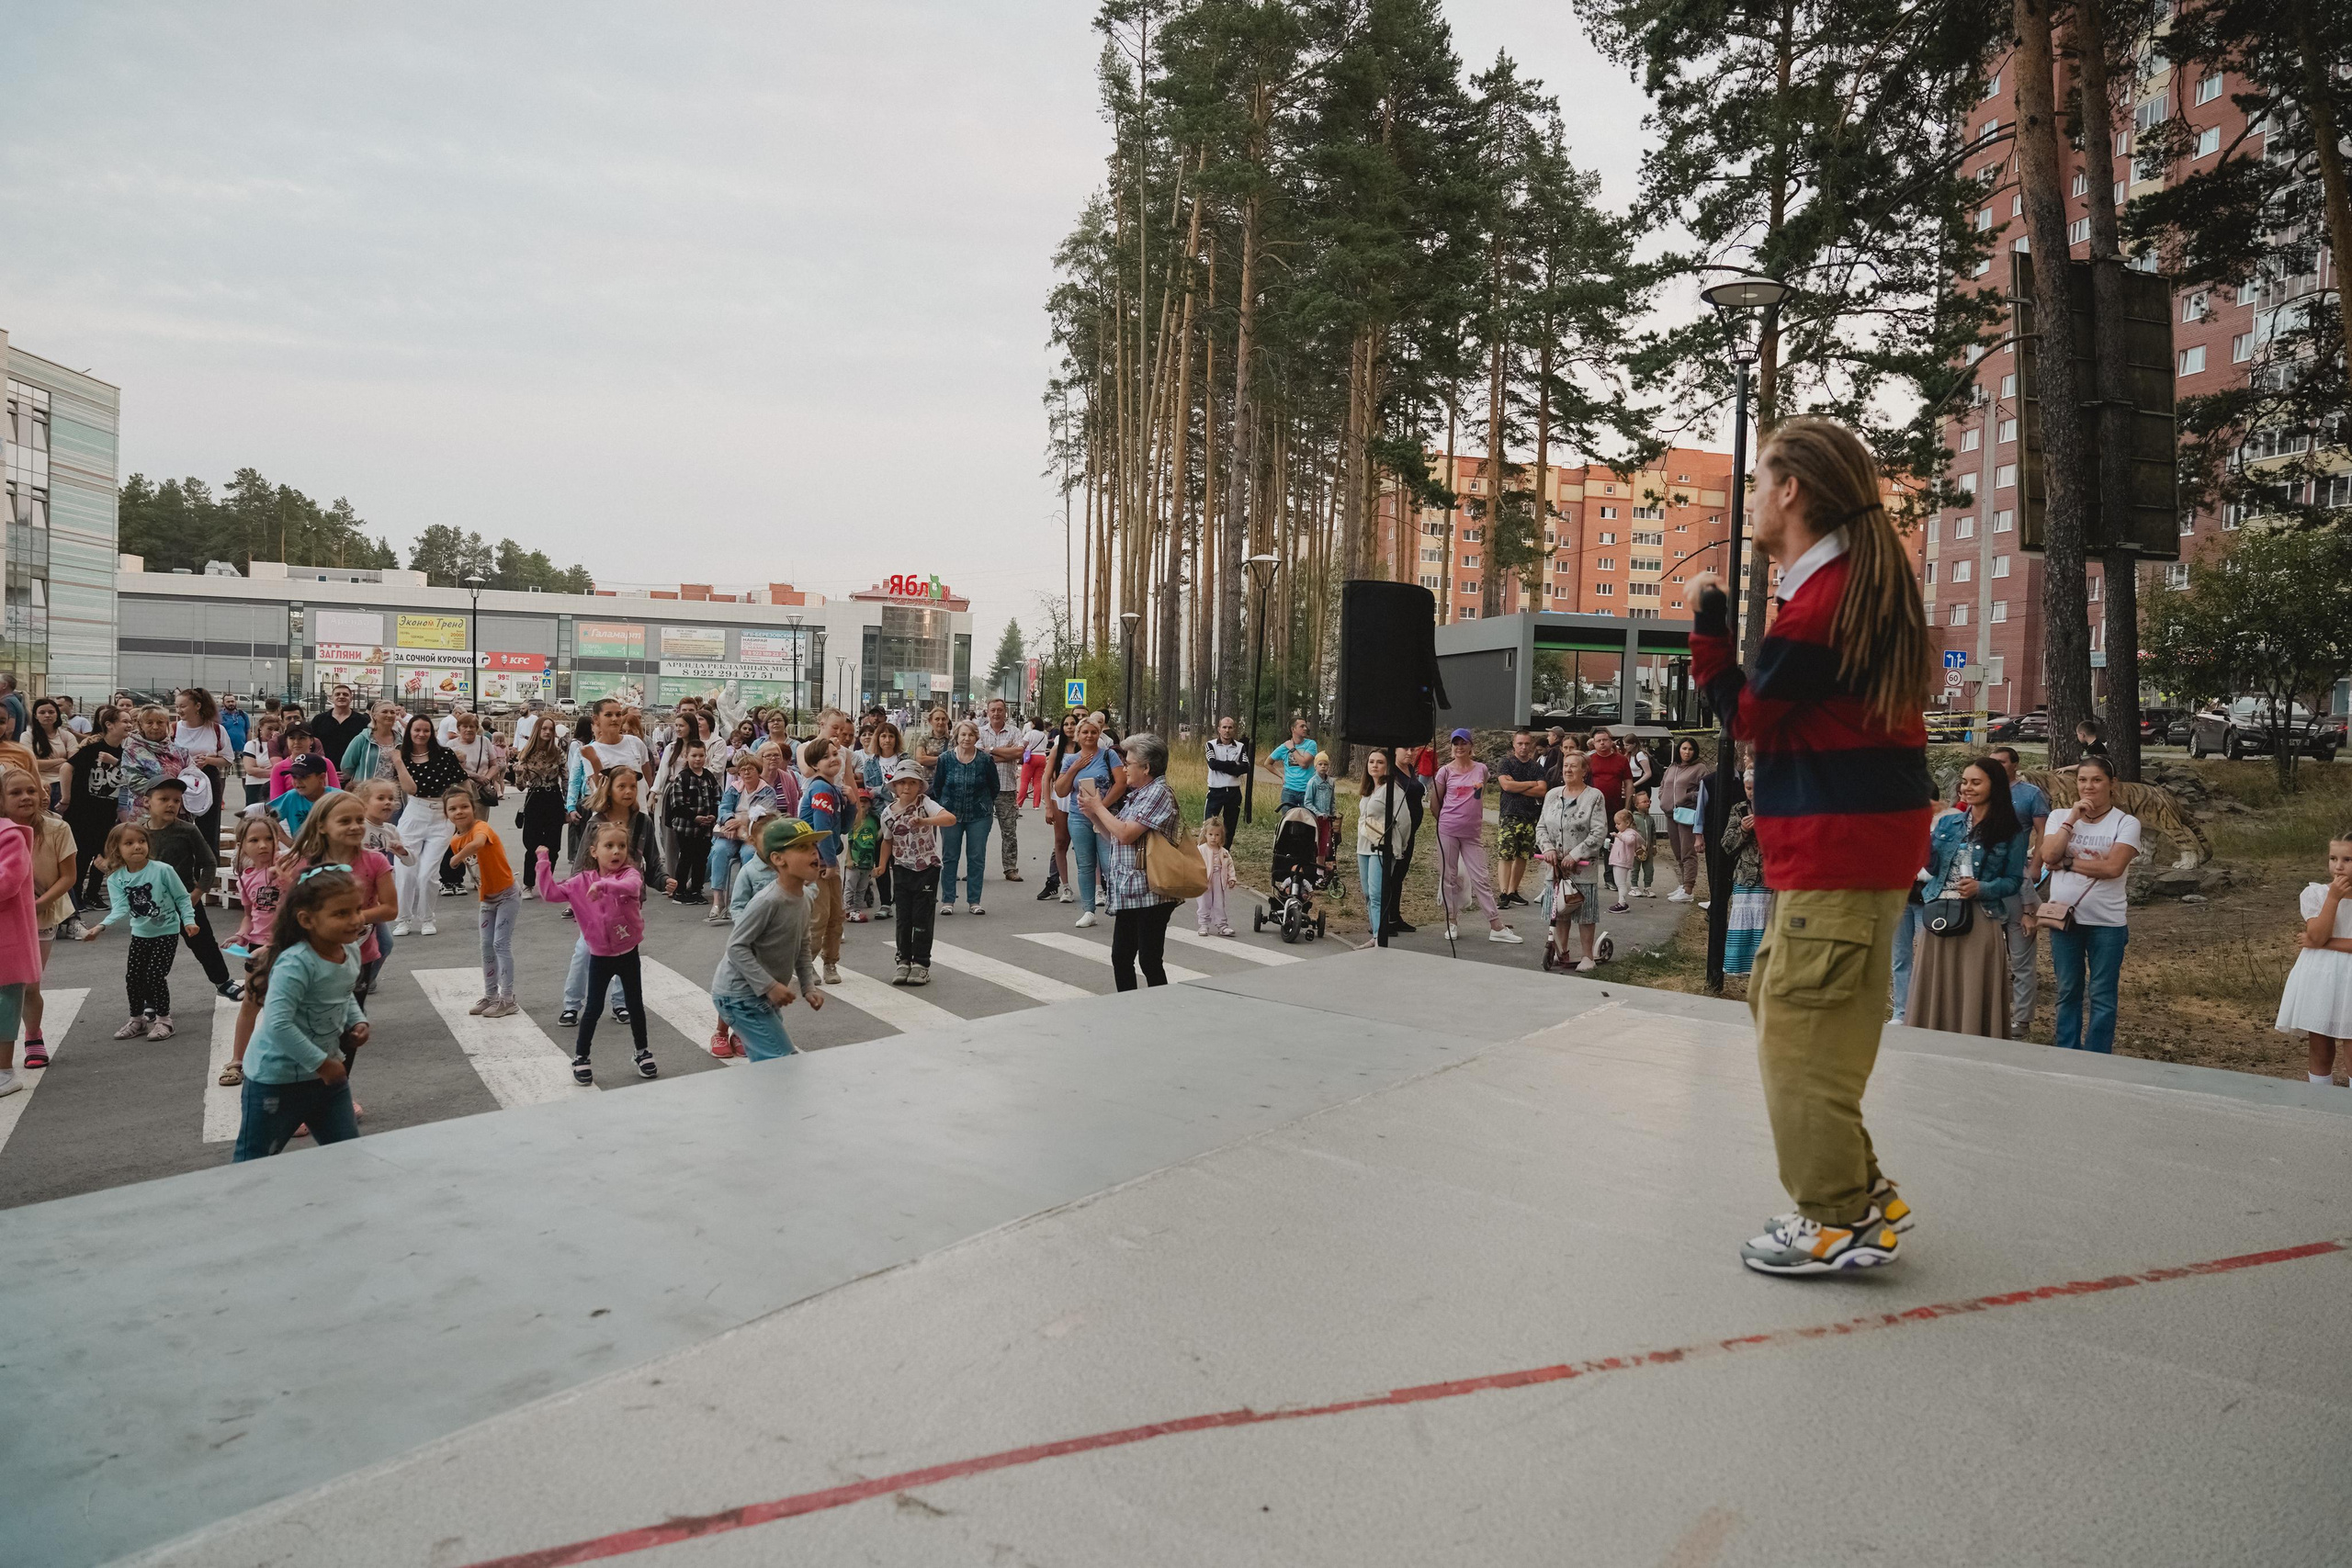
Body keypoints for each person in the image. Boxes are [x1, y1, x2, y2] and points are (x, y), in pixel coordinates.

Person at [1688, 415, 1936, 1276]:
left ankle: (1835, 1218)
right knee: (1786, 1007)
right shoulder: (1841, 585)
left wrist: (1708, 635)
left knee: (1798, 1036)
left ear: (1791, 490)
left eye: (1759, 481)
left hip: (1839, 852)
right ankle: (1860, 1190)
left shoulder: (1823, 599)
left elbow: (1749, 717)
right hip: (1851, 853)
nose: (1752, 497)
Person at [229, 868, 368, 1160]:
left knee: (347, 1155)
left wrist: (357, 1021)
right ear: (306, 920)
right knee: (254, 1161)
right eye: (341, 913)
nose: (355, 919)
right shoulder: (296, 963)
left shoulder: (350, 950)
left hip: (326, 1081)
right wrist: (322, 1064)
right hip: (275, 1082)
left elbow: (345, 992)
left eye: (358, 909)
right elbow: (278, 1024)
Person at [1905, 759, 2028, 1039]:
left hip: (1980, 918)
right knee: (1934, 984)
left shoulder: (2011, 831)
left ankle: (1973, 1044)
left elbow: (2013, 882)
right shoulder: (1949, 822)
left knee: (1973, 986)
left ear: (1994, 786)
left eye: (1975, 782)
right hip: (1938, 914)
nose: (1966, 788)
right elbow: (1932, 867)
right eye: (1964, 781)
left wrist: (1982, 888)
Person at [2033, 755, 2142, 1054]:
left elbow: (2112, 869)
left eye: (2096, 780)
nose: (2089, 786)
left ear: (2112, 784)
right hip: (2064, 920)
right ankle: (2067, 1052)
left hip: (2107, 923)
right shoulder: (2059, 817)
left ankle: (2097, 1055)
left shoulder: (2126, 823)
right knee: (2068, 990)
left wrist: (2067, 862)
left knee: (2102, 994)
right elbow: (2048, 857)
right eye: (2083, 780)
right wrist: (2072, 819)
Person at [539, 828, 656, 1085]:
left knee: (635, 1005)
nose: (616, 851)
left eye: (622, 846)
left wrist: (605, 885)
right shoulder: (581, 882)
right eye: (609, 846)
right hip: (600, 955)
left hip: (628, 952)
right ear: (594, 851)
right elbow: (550, 894)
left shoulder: (630, 874)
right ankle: (581, 1057)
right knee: (593, 1008)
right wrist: (543, 862)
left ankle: (642, 1052)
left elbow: (632, 885)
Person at [707, 817, 830, 1060]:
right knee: (781, 1059)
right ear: (778, 859)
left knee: (771, 1064)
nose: (814, 853)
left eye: (814, 845)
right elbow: (736, 946)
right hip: (739, 995)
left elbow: (802, 944)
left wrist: (807, 986)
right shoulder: (768, 901)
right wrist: (770, 986)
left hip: (760, 994)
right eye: (802, 847)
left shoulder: (804, 897)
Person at [558, 767, 668, 1027]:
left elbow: (651, 863)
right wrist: (576, 898)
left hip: (629, 902)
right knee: (585, 950)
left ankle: (621, 1003)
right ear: (610, 789)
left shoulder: (643, 822)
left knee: (625, 953)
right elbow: (583, 862)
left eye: (632, 786)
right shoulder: (596, 823)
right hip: (596, 902)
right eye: (622, 786)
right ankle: (572, 1005)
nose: (628, 791)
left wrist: (664, 881)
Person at [1079, 732, 1182, 991]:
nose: (1124, 768)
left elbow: (1126, 834)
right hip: (1130, 890)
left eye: (1129, 763)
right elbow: (1114, 834)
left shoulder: (1158, 793)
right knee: (1121, 957)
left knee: (1149, 960)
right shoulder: (1139, 794)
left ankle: (1159, 1008)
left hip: (1152, 890)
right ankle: (1127, 1008)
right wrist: (1093, 814)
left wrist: (1099, 806)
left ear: (1146, 768)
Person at [81, 821, 199, 1039]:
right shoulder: (117, 879)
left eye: (141, 841)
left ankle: (164, 1021)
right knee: (133, 977)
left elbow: (182, 898)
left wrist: (188, 921)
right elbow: (121, 908)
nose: (137, 846)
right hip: (140, 934)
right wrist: (100, 926)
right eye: (129, 843)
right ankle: (137, 1020)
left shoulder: (163, 870)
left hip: (167, 932)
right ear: (117, 849)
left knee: (155, 975)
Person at [0, 769, 73, 1094]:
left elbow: (68, 876)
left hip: (43, 912)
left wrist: (40, 902)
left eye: (31, 790)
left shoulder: (57, 828)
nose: (25, 797)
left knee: (28, 985)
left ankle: (32, 1036)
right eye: (16, 793)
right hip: (15, 915)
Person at [141, 775, 242, 1001]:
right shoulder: (137, 832)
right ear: (147, 802)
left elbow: (209, 863)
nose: (171, 804)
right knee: (152, 953)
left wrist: (196, 894)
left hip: (186, 902)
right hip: (152, 906)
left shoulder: (187, 830)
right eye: (164, 799)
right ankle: (149, 999)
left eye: (177, 800)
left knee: (204, 944)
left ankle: (223, 982)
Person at [1430, 728, 1521, 944]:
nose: (1459, 747)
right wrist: (1445, 822)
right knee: (1449, 877)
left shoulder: (1481, 769)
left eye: (1463, 743)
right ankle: (1452, 921)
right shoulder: (1445, 772)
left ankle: (1496, 925)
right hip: (1448, 830)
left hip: (1472, 834)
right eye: (1455, 744)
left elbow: (1479, 795)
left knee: (1481, 877)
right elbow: (1435, 802)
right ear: (1452, 748)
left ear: (1471, 746)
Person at [2277, 833, 2352, 1086]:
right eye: (2333, 858)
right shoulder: (2316, 894)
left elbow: (2317, 941)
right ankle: (2321, 1110)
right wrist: (2333, 898)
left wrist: (2321, 943)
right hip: (2320, 977)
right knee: (2320, 1048)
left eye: (2347, 859)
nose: (2338, 866)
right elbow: (2317, 934)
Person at [1990, 746, 2050, 1039]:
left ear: (2015, 764)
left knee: (2021, 958)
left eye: (2002, 762)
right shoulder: (1985, 794)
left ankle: (2021, 1020)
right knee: (1989, 957)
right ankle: (1992, 1014)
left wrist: (2037, 866)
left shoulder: (2029, 794)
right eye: (1993, 763)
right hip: (1988, 889)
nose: (1998, 767)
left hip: (2018, 882)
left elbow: (2043, 833)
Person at [445, 788, 520, 1018]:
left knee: (500, 945)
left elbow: (478, 844)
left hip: (507, 894)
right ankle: (491, 996)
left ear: (474, 808)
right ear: (446, 813)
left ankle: (508, 999)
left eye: (464, 807)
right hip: (487, 898)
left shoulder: (481, 828)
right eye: (453, 809)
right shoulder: (455, 839)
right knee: (486, 947)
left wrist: (456, 858)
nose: (459, 812)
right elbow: (477, 872)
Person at [390, 715, 469, 936]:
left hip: (441, 816)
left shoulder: (444, 754)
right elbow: (410, 789)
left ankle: (427, 918)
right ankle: (403, 919)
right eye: (417, 730)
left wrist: (465, 814)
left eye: (426, 730)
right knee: (405, 871)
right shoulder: (403, 757)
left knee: (427, 874)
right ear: (410, 732)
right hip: (414, 813)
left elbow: (462, 781)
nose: (421, 734)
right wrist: (398, 762)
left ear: (432, 733)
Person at [878, 757, 953, 986]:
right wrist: (882, 866)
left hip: (927, 868)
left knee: (922, 917)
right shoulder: (887, 814)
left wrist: (925, 821)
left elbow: (949, 819)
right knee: (904, 917)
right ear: (895, 786)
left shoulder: (925, 804)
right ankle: (903, 961)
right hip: (901, 868)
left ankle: (921, 963)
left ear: (920, 786)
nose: (907, 787)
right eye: (902, 783)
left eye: (912, 782)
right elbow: (887, 841)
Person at [1537, 750, 1609, 971]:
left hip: (1581, 868)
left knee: (1585, 913)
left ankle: (1587, 956)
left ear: (1584, 771)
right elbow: (1541, 827)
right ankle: (1562, 952)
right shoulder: (1552, 795)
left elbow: (1598, 832)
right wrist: (1547, 849)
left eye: (1574, 766)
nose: (1568, 770)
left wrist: (1575, 855)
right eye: (1566, 766)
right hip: (1555, 867)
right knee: (1558, 910)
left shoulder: (1594, 796)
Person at [1054, 715, 1124, 929]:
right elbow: (1061, 790)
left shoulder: (1108, 755)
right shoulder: (1069, 759)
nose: (1089, 735)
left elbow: (1121, 783)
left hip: (1105, 816)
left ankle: (1121, 909)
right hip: (1078, 816)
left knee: (1109, 863)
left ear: (1099, 734)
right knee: (1085, 864)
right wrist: (1074, 768)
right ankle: (1088, 911)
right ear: (1077, 736)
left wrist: (1100, 806)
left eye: (1094, 732)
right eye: (1085, 732)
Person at [62, 704, 128, 915]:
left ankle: (93, 894)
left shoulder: (125, 754)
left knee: (104, 854)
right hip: (82, 812)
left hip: (106, 812)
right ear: (109, 725)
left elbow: (131, 775)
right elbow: (66, 767)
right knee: (81, 856)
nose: (129, 725)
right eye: (124, 721)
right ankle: (75, 897)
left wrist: (115, 762)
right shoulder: (93, 749)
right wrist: (66, 798)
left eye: (130, 721)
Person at [796, 739, 850, 984]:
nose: (834, 759)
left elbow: (845, 828)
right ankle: (806, 964)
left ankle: (830, 963)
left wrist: (849, 804)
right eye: (827, 756)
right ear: (815, 765)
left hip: (827, 858)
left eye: (836, 754)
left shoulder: (833, 790)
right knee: (819, 916)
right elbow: (821, 830)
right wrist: (829, 863)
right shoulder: (821, 790)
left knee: (836, 915)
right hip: (816, 862)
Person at [933, 719, 999, 917]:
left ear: (976, 737)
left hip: (979, 815)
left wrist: (984, 804)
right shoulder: (945, 759)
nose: (967, 738)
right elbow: (938, 786)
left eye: (970, 735)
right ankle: (948, 900)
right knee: (950, 856)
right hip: (951, 815)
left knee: (976, 857)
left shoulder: (985, 760)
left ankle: (974, 901)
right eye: (963, 734)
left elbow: (993, 787)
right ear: (956, 737)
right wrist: (944, 807)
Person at [513, 716, 570, 896]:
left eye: (550, 729)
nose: (547, 732)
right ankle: (528, 884)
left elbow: (566, 778)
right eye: (544, 728)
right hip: (534, 797)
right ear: (538, 730)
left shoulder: (558, 752)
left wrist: (569, 804)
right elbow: (521, 786)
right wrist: (519, 775)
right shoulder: (526, 753)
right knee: (532, 844)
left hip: (554, 797)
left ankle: (547, 883)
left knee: (553, 845)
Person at [1494, 729, 1549, 908]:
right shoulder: (1506, 763)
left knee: (1523, 854)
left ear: (1531, 744)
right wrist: (1531, 784)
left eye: (1527, 743)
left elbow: (1542, 791)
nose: (1523, 747)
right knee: (1506, 853)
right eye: (1520, 743)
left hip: (1530, 815)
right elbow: (1506, 785)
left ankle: (1513, 890)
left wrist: (1517, 786)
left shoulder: (1536, 767)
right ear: (1514, 744)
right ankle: (1503, 893)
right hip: (1510, 814)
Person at [1354, 749, 1403, 947]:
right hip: (1364, 846)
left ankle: (1379, 937)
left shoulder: (1392, 790)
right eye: (1371, 762)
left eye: (1380, 762)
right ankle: (1375, 933)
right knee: (1367, 893)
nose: (1374, 765)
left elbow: (1404, 820)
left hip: (1382, 847)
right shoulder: (1368, 790)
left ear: (1387, 766)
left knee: (1377, 893)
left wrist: (1400, 844)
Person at [663, 740, 720, 906]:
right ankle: (680, 891)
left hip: (706, 828)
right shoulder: (682, 778)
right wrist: (694, 817)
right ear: (686, 756)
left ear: (706, 756)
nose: (698, 759)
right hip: (686, 827)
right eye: (694, 755)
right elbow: (677, 804)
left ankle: (696, 888)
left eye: (701, 755)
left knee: (701, 858)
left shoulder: (709, 777)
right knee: (686, 857)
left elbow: (717, 798)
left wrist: (713, 816)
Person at [976, 697, 1026, 883]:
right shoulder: (979, 732)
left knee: (1009, 832)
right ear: (987, 712)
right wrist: (1006, 752)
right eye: (993, 710)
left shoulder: (1014, 731)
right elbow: (978, 757)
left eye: (1000, 710)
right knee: (978, 832)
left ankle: (1010, 868)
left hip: (1006, 789)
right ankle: (976, 868)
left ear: (1006, 712)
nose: (996, 713)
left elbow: (1019, 753)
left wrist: (990, 751)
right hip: (983, 790)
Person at [119, 706, 187, 824]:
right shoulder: (131, 751)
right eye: (149, 723)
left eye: (160, 722)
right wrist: (168, 792)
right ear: (141, 725)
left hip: (175, 813)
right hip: (144, 815)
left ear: (167, 724)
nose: (155, 727)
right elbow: (135, 782)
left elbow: (190, 776)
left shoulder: (180, 751)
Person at [1657, 739, 1707, 903]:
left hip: (1686, 813)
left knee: (1687, 851)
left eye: (1691, 749)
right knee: (1677, 851)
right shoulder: (1672, 767)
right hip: (1670, 813)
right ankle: (1682, 884)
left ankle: (1688, 888)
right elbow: (1663, 784)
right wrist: (1662, 798)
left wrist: (1688, 797)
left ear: (1695, 751)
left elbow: (1705, 791)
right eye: (1684, 748)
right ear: (1679, 750)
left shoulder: (1699, 768)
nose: (1687, 752)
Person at [1038, 714, 1079, 904]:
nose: (1070, 727)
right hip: (1060, 800)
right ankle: (1065, 887)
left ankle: (1096, 888)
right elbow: (1046, 778)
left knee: (1083, 845)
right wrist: (1048, 807)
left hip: (1082, 798)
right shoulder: (1057, 750)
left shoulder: (1088, 748)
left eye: (1073, 724)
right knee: (1061, 842)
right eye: (1066, 724)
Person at [1204, 716, 1249, 852]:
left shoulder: (1240, 747)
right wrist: (1232, 764)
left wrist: (1224, 766)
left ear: (1234, 730)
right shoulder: (1210, 745)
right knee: (1209, 825)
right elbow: (1212, 764)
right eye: (1224, 727)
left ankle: (1225, 854)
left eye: (1230, 727)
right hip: (1215, 791)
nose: (1227, 730)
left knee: (1230, 827)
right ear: (1219, 729)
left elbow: (1245, 767)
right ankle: (1207, 854)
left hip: (1234, 792)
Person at [267, 725, 343, 802]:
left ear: (311, 740)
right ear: (286, 740)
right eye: (292, 738)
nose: (296, 742)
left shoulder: (326, 763)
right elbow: (277, 802)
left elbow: (336, 795)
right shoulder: (279, 768)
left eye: (302, 738)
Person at [27, 696, 76, 812]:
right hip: (38, 784)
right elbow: (29, 764)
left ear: (57, 714)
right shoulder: (27, 736)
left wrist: (41, 764)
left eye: (51, 712)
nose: (47, 715)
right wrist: (61, 761)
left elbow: (73, 764)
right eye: (42, 712)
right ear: (35, 715)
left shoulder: (67, 736)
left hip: (63, 786)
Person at [269, 754, 333, 840]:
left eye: (304, 777)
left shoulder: (338, 798)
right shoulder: (291, 797)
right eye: (294, 777)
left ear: (321, 777)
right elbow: (269, 821)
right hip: (302, 852)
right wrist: (292, 845)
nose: (297, 782)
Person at [310, 685, 369, 773]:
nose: (341, 696)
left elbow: (366, 749)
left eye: (345, 694)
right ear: (332, 698)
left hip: (354, 773)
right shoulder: (319, 720)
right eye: (337, 694)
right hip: (323, 772)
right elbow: (312, 745)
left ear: (351, 698)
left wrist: (351, 772)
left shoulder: (363, 721)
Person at [1264, 717, 1318, 811]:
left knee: (1307, 822)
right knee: (1288, 821)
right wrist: (1281, 776)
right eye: (1302, 726)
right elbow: (1267, 763)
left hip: (1307, 790)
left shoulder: (1311, 744)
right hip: (1289, 791)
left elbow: (1304, 764)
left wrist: (1292, 748)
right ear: (1293, 729)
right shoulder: (1284, 747)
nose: (1305, 728)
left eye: (1305, 726)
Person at [1584, 728, 1633, 818]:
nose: (1602, 743)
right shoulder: (1588, 760)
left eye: (1605, 740)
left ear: (1611, 742)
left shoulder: (1622, 760)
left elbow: (1629, 784)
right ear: (1594, 744)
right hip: (1592, 807)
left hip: (1616, 808)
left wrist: (1627, 808)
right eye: (1598, 741)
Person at [1626, 785, 1659, 898]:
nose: (1648, 803)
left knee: (1649, 868)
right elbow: (1629, 832)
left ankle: (1647, 887)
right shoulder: (1633, 818)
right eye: (1644, 801)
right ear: (1636, 805)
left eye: (1648, 801)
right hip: (1636, 849)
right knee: (1635, 868)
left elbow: (1653, 833)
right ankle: (1634, 887)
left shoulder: (1650, 819)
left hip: (1648, 849)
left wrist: (1654, 846)